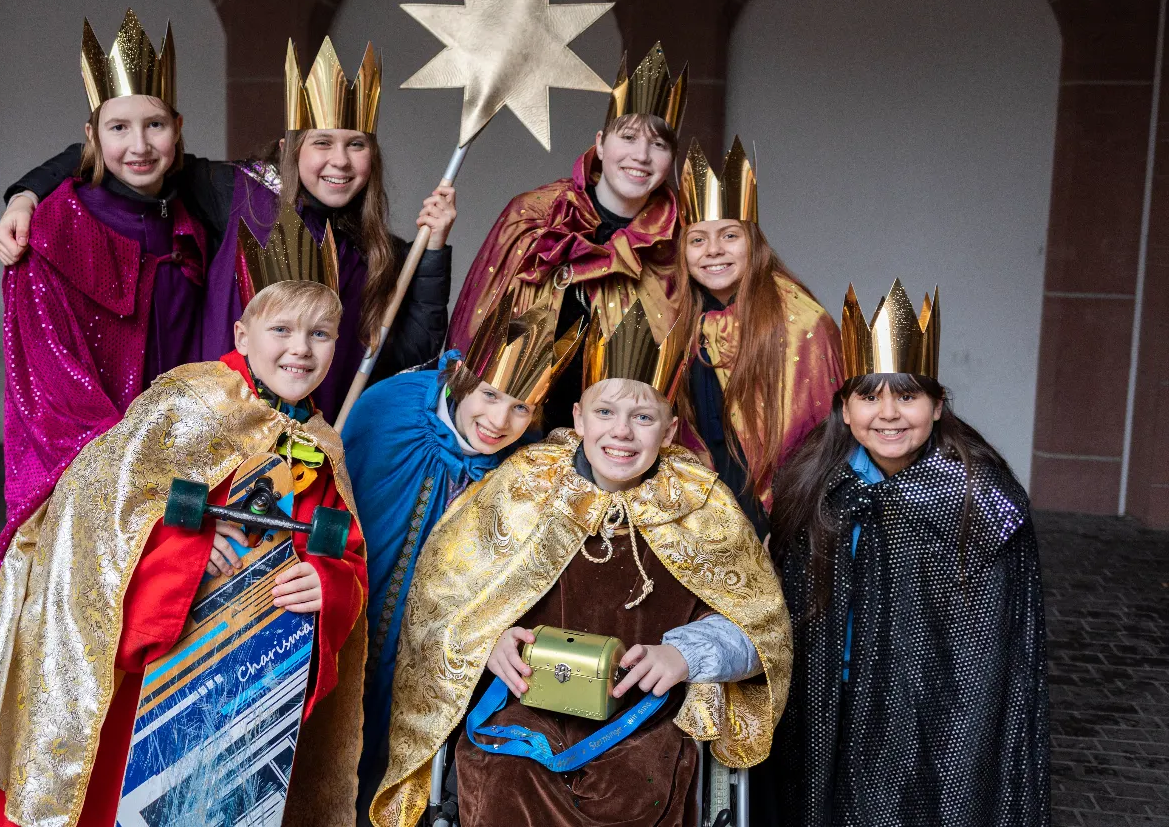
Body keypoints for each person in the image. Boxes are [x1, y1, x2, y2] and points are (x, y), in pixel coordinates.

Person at [0, 209, 370, 827]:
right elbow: (91, 519)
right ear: (242, 334)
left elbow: (343, 552)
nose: (300, 350)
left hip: (245, 678)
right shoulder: (188, 402)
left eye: (321, 334)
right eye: (281, 329)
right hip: (148, 672)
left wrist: (325, 584)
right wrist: (188, 553)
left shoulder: (321, 439)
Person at [371, 296, 792, 827]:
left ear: (668, 430)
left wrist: (688, 655)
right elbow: (442, 600)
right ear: (577, 417)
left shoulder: (704, 505)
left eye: (643, 418)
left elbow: (761, 629)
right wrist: (487, 641)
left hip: (644, 723)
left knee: (635, 793)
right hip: (523, 713)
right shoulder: (524, 484)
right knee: (503, 782)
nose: (621, 432)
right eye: (605, 413)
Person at [0, 37, 457, 421]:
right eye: (322, 143)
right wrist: (26, 195)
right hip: (212, 442)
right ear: (289, 148)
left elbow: (408, 356)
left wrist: (432, 251)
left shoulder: (374, 249)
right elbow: (135, 159)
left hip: (315, 456)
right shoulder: (234, 192)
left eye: (355, 144)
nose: (339, 161)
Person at [767, 280, 1049, 826]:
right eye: (869, 396)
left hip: (931, 714)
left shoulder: (980, 501)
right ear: (844, 410)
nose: (889, 413)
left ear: (938, 404)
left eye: (908, 395)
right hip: (831, 697)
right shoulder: (817, 487)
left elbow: (988, 648)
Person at [340, 297, 583, 812]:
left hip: (432, 663)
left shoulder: (525, 468)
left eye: (520, 406)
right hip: (351, 630)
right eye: (491, 394)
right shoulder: (388, 409)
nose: (498, 420)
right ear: (462, 374)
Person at [0, 9, 205, 586]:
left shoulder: (194, 221)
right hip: (96, 489)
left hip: (193, 482)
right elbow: (53, 394)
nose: (138, 145)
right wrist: (148, 488)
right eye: (118, 128)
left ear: (178, 127)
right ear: (92, 135)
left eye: (154, 125)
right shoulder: (54, 231)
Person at [446, 43, 689, 428]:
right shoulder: (535, 213)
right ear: (600, 143)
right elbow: (475, 323)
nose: (641, 155)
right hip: (514, 428)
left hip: (616, 442)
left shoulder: (678, 242)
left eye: (658, 144)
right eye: (628, 137)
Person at [674, 137, 843, 539]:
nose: (713, 250)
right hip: (703, 503)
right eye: (698, 239)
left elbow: (817, 435)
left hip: (776, 507)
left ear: (754, 241)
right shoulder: (679, 317)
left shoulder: (801, 320)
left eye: (730, 235)